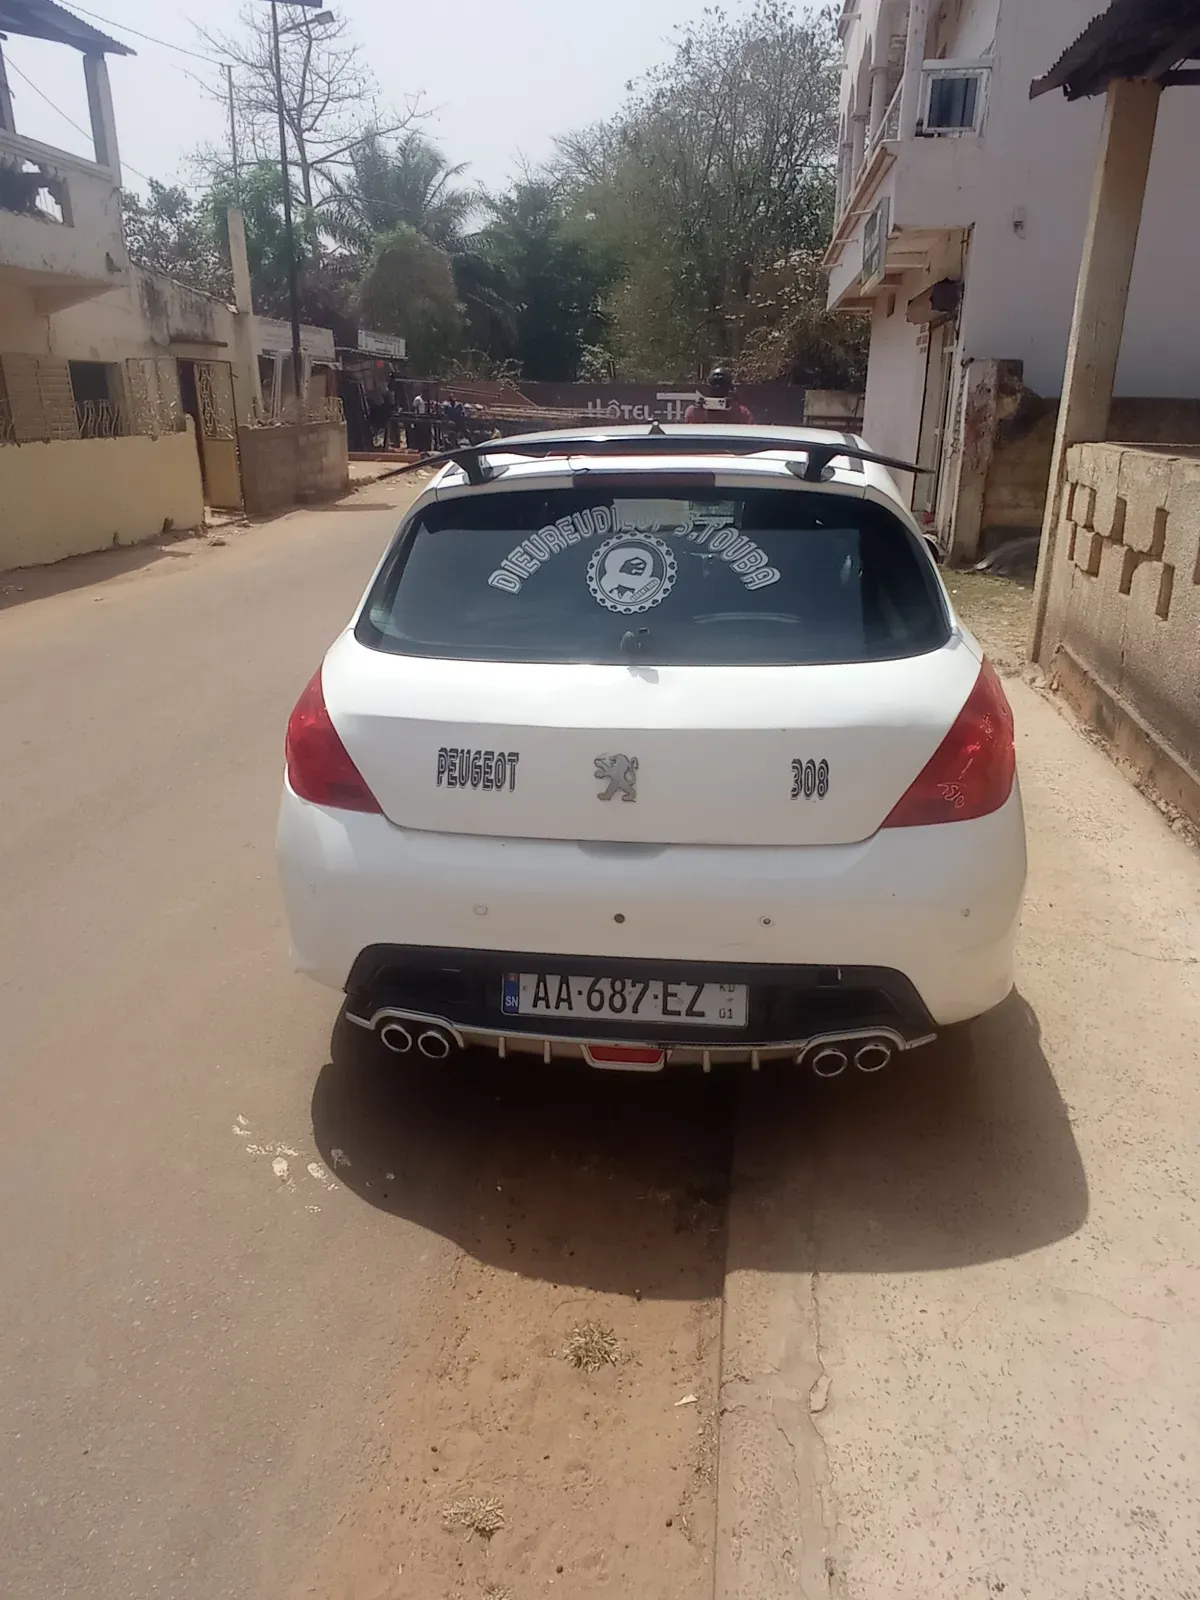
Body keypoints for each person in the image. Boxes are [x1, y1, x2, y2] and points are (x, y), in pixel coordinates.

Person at [684, 366, 754, 425]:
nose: (718, 388)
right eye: (714, 386)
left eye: (722, 386)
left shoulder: (741, 413)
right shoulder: (695, 411)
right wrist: (697, 414)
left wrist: (734, 410)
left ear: (730, 390)